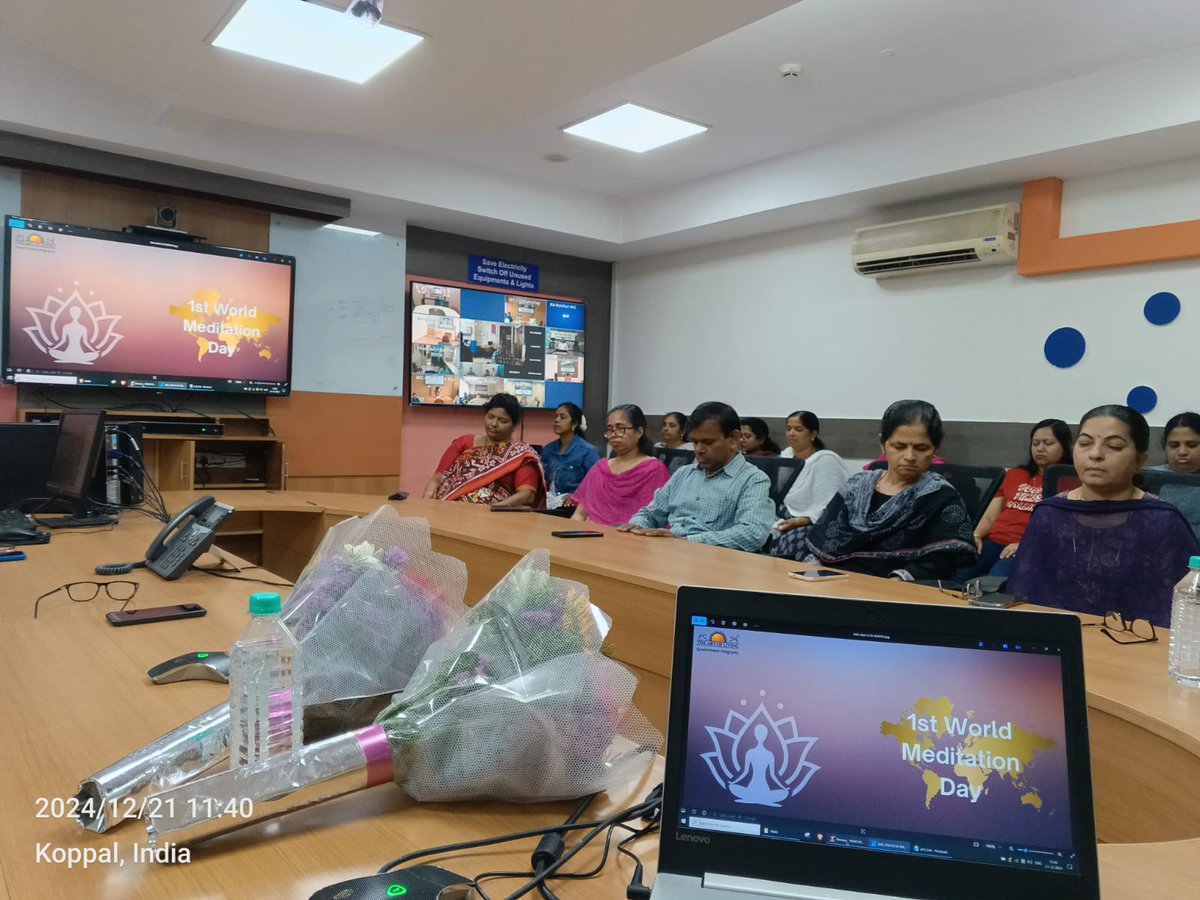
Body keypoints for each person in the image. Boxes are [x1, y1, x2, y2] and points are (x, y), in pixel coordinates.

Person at [1008, 405, 1200, 626]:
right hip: (1058, 637)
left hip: (1138, 642)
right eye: (1085, 443)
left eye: (1114, 446)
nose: (1095, 454)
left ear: (1139, 460)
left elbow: (1183, 614)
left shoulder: (1162, 521)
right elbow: (1024, 594)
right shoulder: (1049, 514)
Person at [804, 400, 976, 581]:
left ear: (934, 449)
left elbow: (937, 563)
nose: (909, 456)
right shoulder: (856, 487)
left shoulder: (939, 496)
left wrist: (894, 583)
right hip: (833, 581)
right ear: (883, 444)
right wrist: (812, 575)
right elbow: (820, 543)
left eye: (921, 448)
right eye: (899, 446)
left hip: (894, 589)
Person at [620, 402, 775, 550]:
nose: (699, 449)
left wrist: (686, 541)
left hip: (714, 560)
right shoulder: (684, 474)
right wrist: (637, 526)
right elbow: (650, 513)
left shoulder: (753, 480)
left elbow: (752, 533)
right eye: (695, 442)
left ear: (734, 439)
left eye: (708, 442)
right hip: (670, 554)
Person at [957, 419, 1073, 580]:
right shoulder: (1015, 474)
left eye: (1048, 443)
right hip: (994, 542)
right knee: (961, 567)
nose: (1040, 448)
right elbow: (990, 516)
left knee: (997, 578)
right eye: (1035, 443)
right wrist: (976, 536)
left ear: (1065, 446)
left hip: (1028, 546)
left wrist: (1026, 545)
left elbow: (1062, 529)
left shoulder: (1068, 481)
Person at [424, 393, 545, 508]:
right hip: (449, 507)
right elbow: (437, 478)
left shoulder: (520, 454)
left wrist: (493, 508)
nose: (494, 424)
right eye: (490, 417)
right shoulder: (464, 443)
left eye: (502, 421)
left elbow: (527, 495)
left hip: (495, 516)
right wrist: (427, 498)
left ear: (513, 426)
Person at [570, 405, 670, 526]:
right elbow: (579, 514)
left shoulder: (654, 470)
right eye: (610, 430)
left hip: (629, 535)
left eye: (620, 428)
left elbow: (657, 519)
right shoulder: (600, 468)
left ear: (639, 432)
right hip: (588, 534)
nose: (613, 434)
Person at [770, 411, 848, 558]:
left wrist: (799, 521)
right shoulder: (785, 456)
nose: (791, 434)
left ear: (813, 434)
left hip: (815, 521)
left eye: (798, 429)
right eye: (788, 429)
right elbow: (777, 494)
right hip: (782, 513)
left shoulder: (826, 461)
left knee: (792, 541)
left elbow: (829, 506)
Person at [539, 402, 600, 501]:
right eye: (556, 416)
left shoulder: (588, 452)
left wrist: (577, 496)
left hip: (574, 505)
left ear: (574, 424)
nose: (556, 420)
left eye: (562, 417)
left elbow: (597, 485)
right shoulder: (548, 449)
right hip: (547, 503)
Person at [1153, 411, 1200, 538]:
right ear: (1164, 447)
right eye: (1174, 445)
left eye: (1191, 445)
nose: (1182, 452)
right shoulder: (1147, 479)